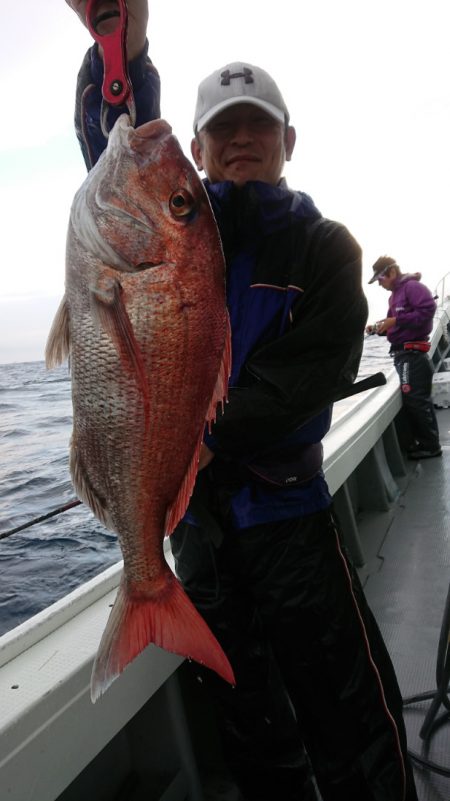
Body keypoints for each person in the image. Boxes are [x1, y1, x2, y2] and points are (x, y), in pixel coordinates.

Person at [67, 3, 419, 800]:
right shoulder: (167, 222)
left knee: (350, 715)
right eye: (221, 130)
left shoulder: (326, 248)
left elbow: (300, 382)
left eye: (258, 125)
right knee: (249, 724)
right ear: (195, 150)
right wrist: (120, 46)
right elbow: (117, 143)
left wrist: (190, 441)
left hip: (287, 518)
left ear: (288, 142)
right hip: (197, 536)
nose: (240, 141)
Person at [367, 255, 441, 460]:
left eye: (380, 279)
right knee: (416, 399)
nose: (379, 285)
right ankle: (426, 442)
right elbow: (396, 323)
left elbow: (428, 310)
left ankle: (430, 446)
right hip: (402, 355)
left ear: (391, 272)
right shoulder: (394, 296)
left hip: (412, 356)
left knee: (416, 400)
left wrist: (396, 320)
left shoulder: (412, 288)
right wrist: (378, 328)